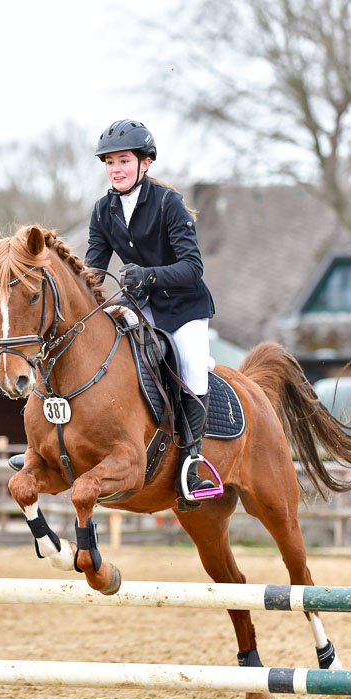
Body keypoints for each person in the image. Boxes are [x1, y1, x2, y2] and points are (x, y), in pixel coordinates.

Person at [85, 119, 217, 509]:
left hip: (183, 308)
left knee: (192, 368)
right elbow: (93, 272)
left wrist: (149, 276)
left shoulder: (167, 203)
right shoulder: (103, 210)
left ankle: (191, 464)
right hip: (138, 305)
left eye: (123, 161)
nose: (115, 170)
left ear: (145, 163)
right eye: (110, 163)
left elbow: (193, 267)